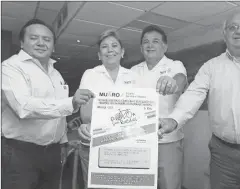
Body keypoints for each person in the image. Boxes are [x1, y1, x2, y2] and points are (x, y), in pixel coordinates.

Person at [159, 10, 240, 189]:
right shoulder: (212, 67)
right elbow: (194, 94)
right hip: (224, 159)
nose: (239, 30)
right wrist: (173, 120)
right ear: (225, 34)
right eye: (232, 27)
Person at [1, 19, 94, 189]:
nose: (41, 43)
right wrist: (71, 102)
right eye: (34, 38)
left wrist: (63, 141)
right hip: (21, 153)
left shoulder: (56, 73)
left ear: (53, 46)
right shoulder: (11, 68)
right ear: (22, 42)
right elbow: (23, 107)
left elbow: (58, 115)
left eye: (47, 39)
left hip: (52, 153)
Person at [77, 29, 142, 189]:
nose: (110, 49)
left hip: (125, 144)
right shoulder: (90, 74)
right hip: (95, 144)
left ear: (122, 52)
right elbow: (85, 112)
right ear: (99, 54)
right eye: (104, 47)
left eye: (114, 45)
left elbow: (140, 110)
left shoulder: (133, 76)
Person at [131, 25, 187, 189]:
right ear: (141, 48)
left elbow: (180, 80)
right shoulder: (133, 70)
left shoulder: (175, 65)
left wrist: (172, 82)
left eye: (155, 41)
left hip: (167, 141)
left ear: (165, 46)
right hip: (139, 141)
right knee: (141, 185)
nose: (150, 45)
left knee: (168, 184)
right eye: (145, 42)